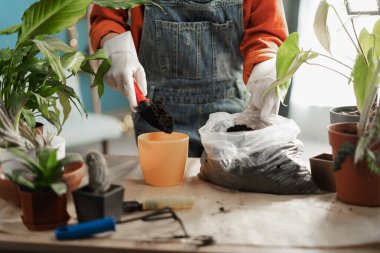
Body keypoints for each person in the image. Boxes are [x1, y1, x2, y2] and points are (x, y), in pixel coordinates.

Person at [90, 0, 288, 157]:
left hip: (231, 117)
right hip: (157, 115)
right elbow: (107, 17)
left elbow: (266, 29)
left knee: (230, 198)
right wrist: (116, 49)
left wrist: (266, 64)